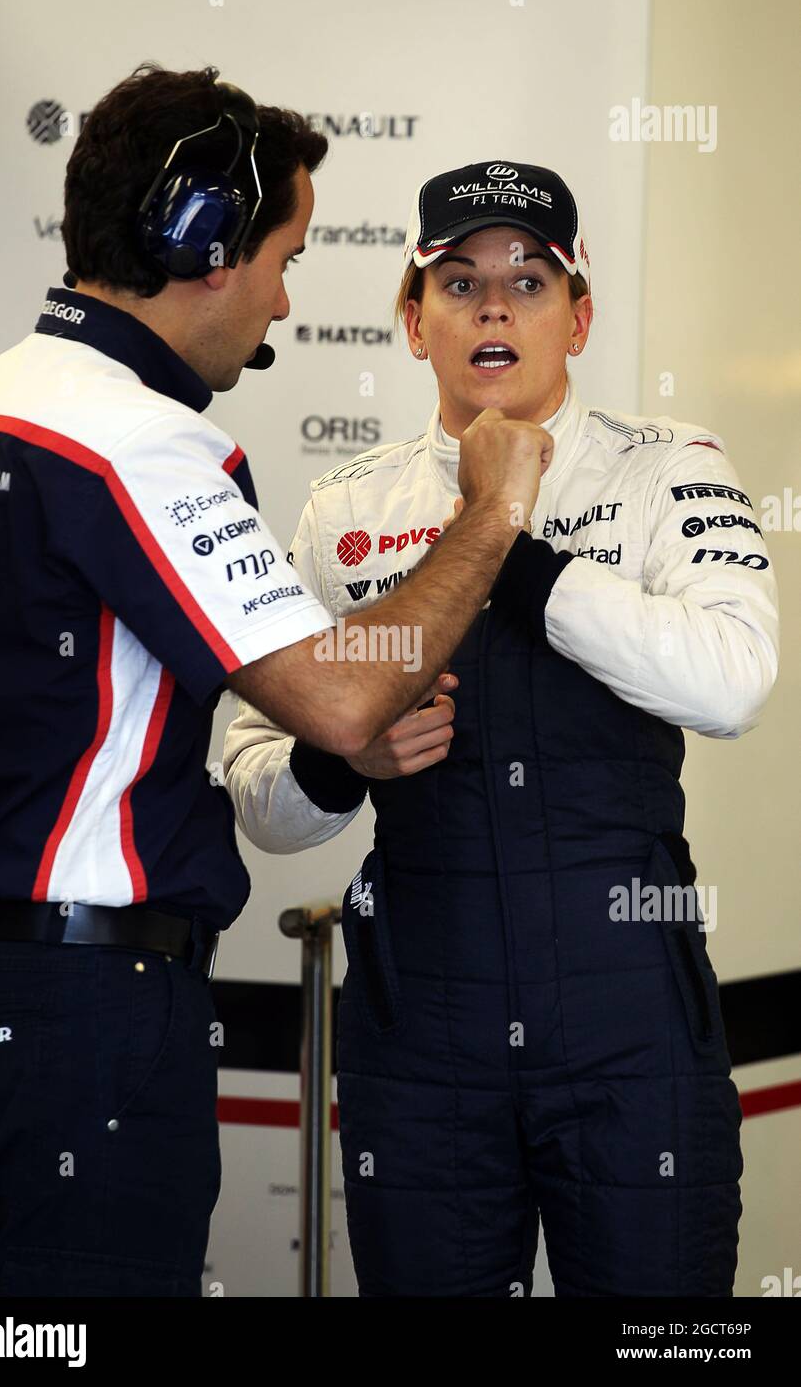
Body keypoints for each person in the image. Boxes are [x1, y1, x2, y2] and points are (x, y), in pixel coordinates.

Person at [0, 70, 545, 1298]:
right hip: (88, 1014)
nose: (279, 299)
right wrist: (487, 516)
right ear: (200, 244)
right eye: (283, 255)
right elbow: (335, 697)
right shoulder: (132, 436)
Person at [222, 159, 780, 1297]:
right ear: (413, 320)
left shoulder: (665, 466)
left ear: (576, 317)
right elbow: (253, 783)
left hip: (633, 1027)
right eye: (457, 280)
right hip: (421, 1044)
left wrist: (505, 542)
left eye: (528, 281)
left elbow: (733, 681)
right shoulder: (345, 513)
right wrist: (343, 754)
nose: (491, 305)